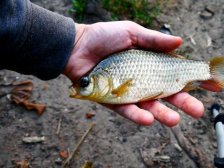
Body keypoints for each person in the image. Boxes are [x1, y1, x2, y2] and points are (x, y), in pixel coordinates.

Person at [1, 0, 204, 127]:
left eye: (85, 83)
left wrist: (71, 41)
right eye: (84, 83)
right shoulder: (107, 78)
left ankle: (208, 71)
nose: (80, 87)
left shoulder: (110, 82)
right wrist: (70, 41)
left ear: (102, 79)